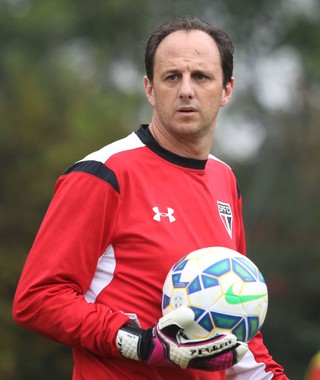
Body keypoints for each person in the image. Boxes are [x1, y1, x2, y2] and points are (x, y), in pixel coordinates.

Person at [13, 16, 288, 379]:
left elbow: (237, 320)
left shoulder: (225, 179)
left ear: (226, 90)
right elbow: (38, 299)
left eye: (201, 77)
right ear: (149, 88)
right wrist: (140, 343)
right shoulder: (103, 173)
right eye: (172, 77)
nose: (186, 90)